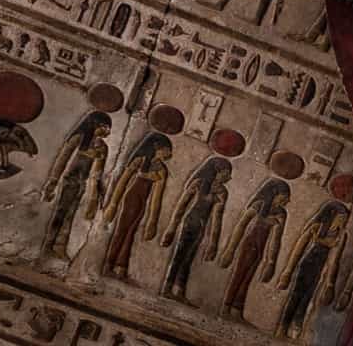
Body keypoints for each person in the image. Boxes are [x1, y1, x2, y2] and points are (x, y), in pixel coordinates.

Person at [98, 131, 173, 280]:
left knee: (131, 232)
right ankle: (108, 264)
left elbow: (156, 199)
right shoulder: (141, 160)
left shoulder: (161, 169)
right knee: (122, 230)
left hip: (141, 202)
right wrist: (113, 205)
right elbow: (123, 181)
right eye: (167, 149)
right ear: (158, 147)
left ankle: (121, 267)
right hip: (132, 198)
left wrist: (152, 221)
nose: (169, 153)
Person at [158, 155, 231, 300]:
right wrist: (172, 228)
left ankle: (179, 291)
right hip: (190, 222)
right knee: (179, 254)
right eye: (226, 173)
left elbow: (217, 219)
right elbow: (181, 206)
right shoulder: (198, 183)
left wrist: (213, 243)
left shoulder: (222, 191)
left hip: (200, 227)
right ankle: (166, 287)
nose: (229, 177)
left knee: (188, 259)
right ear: (217, 171)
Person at [40, 110, 110, 258]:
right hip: (70, 181)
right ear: (94, 124)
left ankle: (60, 246)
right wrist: (53, 181)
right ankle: (48, 244)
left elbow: (98, 174)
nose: (107, 131)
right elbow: (62, 159)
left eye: (108, 128)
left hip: (81, 183)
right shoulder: (79, 138)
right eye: (104, 126)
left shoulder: (102, 146)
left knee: (70, 215)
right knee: (61, 212)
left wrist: (96, 194)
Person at [275, 199, 348, 339]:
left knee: (308, 298)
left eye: (346, 218)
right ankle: (282, 327)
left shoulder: (341, 235)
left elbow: (334, 260)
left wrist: (330, 282)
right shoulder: (317, 226)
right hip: (307, 263)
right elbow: (299, 248)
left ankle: (296, 328)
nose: (344, 221)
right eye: (342, 218)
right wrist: (287, 271)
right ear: (332, 215)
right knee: (296, 295)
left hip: (320, 269)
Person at [219, 179, 289, 320]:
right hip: (249, 244)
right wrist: (230, 250)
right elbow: (241, 225)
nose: (287, 201)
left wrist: (271, 262)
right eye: (284, 197)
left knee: (248, 278)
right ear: (274, 194)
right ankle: (226, 307)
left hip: (260, 249)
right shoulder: (259, 205)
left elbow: (276, 240)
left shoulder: (281, 213)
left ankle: (236, 310)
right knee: (239, 275)